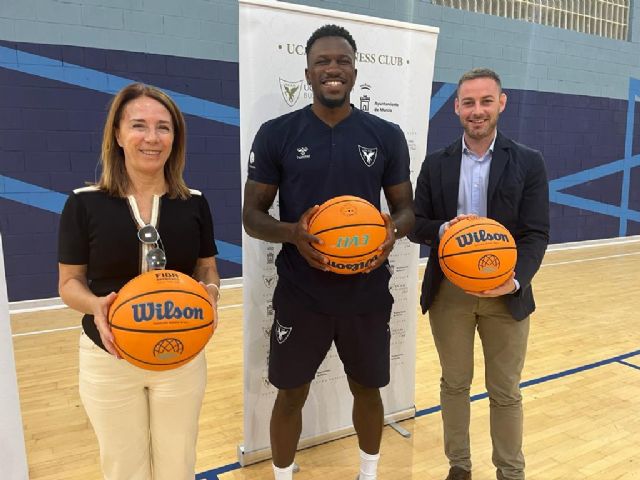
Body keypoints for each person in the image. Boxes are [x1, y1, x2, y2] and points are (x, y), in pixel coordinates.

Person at [242, 24, 414, 480]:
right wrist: (294, 233)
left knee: (368, 389)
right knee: (290, 393)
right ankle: (282, 474)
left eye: (341, 61)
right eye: (323, 61)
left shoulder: (386, 135)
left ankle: (369, 473)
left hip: (366, 291)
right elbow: (252, 216)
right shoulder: (277, 133)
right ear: (308, 72)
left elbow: (407, 211)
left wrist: (388, 234)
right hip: (303, 291)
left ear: (355, 72)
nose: (332, 69)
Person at [58, 82, 221, 480]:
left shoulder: (194, 202)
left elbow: (206, 269)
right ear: (117, 134)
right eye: (139, 125)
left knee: (178, 463)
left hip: (180, 353)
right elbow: (69, 283)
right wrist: (95, 305)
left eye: (164, 127)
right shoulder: (84, 202)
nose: (152, 137)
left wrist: (212, 294)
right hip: (108, 354)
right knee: (122, 467)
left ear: (175, 138)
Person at [409, 67, 550, 480]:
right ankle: (460, 467)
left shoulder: (528, 162)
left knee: (505, 390)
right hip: (450, 291)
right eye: (468, 102)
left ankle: (510, 471)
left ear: (501, 104)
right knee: (454, 385)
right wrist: (441, 230)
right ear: (456, 108)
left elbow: (536, 233)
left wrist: (517, 278)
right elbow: (415, 221)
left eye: (486, 101)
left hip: (505, 291)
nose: (477, 110)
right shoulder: (436, 164)